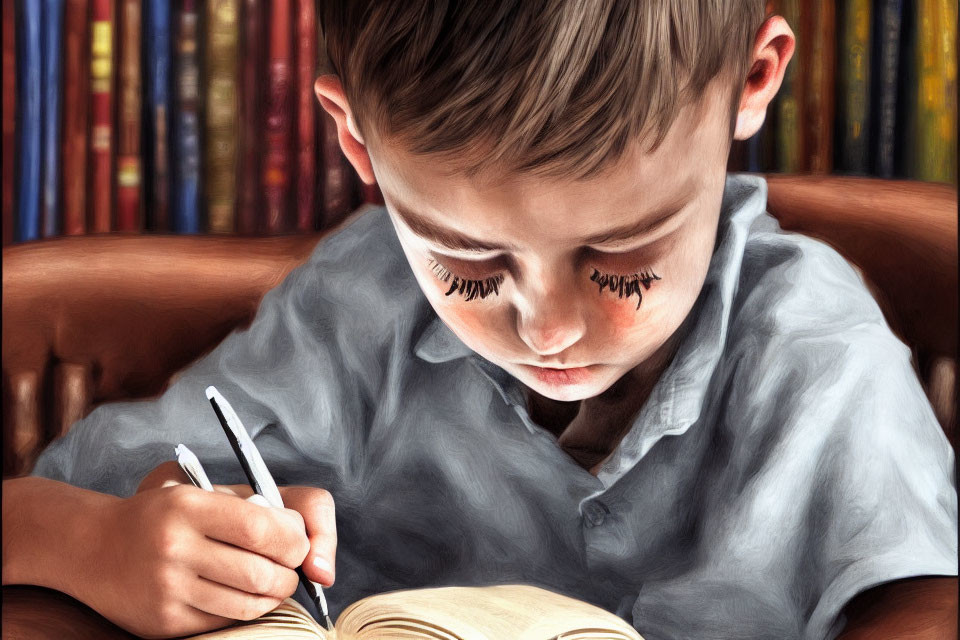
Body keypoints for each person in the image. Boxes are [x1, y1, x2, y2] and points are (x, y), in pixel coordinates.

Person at [3, 2, 957, 638]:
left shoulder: (814, 352)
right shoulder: (359, 310)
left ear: (753, 81)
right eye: (465, 267)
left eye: (620, 263)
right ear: (357, 140)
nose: (547, 330)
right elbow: (28, 521)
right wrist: (105, 547)